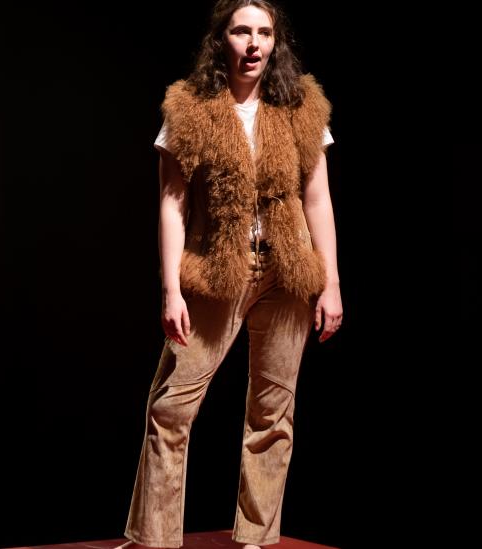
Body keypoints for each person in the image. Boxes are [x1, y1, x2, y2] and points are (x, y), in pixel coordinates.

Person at [117, 1, 342, 548]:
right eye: (242, 31)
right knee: (171, 405)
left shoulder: (301, 105)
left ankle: (257, 538)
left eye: (264, 32)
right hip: (218, 268)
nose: (254, 43)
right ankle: (154, 537)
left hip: (287, 270)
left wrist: (331, 283)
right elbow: (172, 203)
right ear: (221, 39)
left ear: (276, 42)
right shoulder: (188, 107)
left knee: (273, 410)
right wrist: (171, 289)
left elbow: (317, 198)